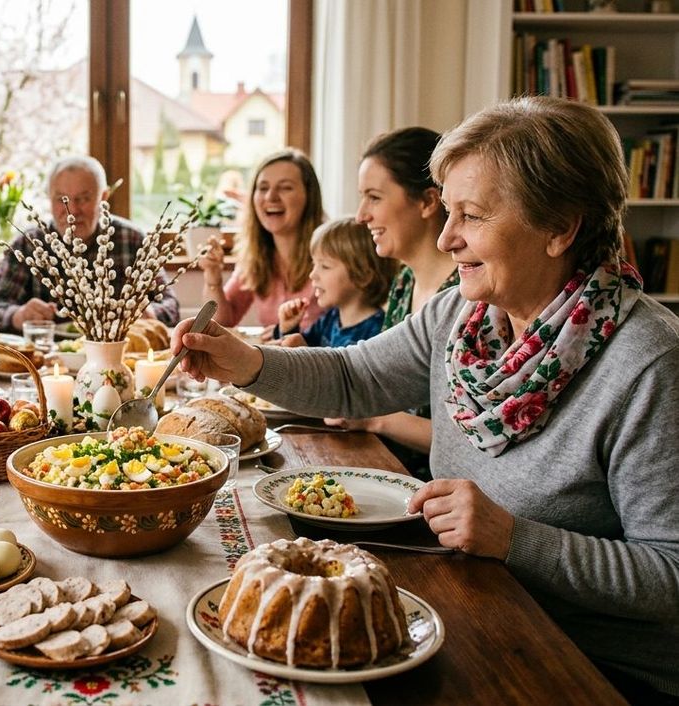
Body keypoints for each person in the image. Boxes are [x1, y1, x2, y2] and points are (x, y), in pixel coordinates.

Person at [171, 96, 679, 704]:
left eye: (472, 215)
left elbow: (669, 574)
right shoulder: (465, 314)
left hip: (581, 664)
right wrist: (246, 361)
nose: (447, 237)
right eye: (448, 211)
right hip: (471, 605)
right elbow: (355, 376)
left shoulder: (646, 361)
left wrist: (516, 538)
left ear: (560, 227)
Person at [325, 127, 462, 471]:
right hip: (387, 467)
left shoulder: (468, 294)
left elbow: (469, 444)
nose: (360, 215)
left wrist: (375, 419)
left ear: (428, 201)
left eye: (374, 197)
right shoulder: (403, 283)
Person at [0, 156, 180, 332]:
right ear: (49, 199)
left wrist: (148, 314)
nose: (72, 210)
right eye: (62, 200)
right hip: (45, 363)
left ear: (103, 198)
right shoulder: (28, 244)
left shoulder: (133, 240)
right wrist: (19, 314)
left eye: (83, 199)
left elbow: (170, 306)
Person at [198, 148, 327, 330]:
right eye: (263, 188)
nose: (270, 197)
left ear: (309, 196)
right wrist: (213, 277)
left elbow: (349, 328)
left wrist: (281, 334)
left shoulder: (333, 252)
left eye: (285, 188)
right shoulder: (255, 256)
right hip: (276, 359)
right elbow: (221, 323)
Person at [273, 217, 397, 347]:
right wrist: (289, 330)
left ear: (363, 276)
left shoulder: (378, 333)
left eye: (325, 266)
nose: (312, 275)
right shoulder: (330, 319)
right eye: (314, 265)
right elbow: (296, 353)